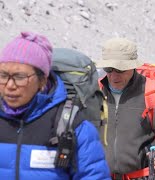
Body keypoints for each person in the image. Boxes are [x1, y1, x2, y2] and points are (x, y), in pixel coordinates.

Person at [0, 32, 111, 179]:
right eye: (3, 75)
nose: (10, 85)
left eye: (20, 77)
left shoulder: (73, 126)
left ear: (43, 81)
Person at [95, 37, 155, 179]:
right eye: (109, 69)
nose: (113, 76)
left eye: (120, 69)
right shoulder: (95, 91)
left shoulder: (153, 92)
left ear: (132, 66)